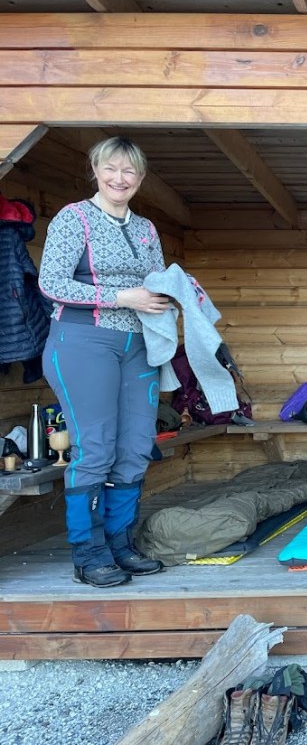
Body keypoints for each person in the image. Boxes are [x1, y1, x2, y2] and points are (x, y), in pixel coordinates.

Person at [38, 136, 171, 588]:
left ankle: (119, 544)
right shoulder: (74, 218)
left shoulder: (146, 228)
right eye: (110, 168)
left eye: (129, 170)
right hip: (83, 340)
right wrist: (120, 296)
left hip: (137, 344)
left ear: (140, 178)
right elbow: (51, 283)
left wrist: (174, 293)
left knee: (135, 446)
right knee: (95, 447)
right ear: (95, 170)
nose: (119, 178)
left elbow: (154, 282)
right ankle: (88, 553)